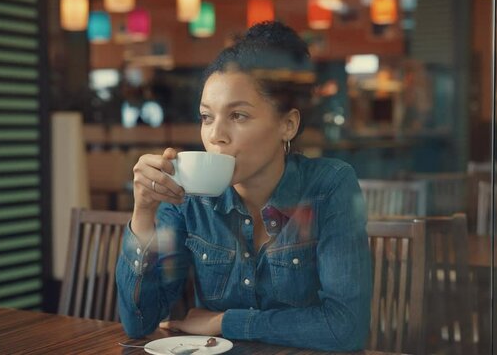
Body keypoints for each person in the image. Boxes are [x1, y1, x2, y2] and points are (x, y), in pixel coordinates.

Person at [116, 21, 371, 351]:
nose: (215, 135)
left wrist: (224, 321)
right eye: (207, 117)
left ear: (287, 124)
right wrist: (143, 213)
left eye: (238, 116)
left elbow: (345, 328)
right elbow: (138, 323)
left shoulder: (329, 186)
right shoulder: (189, 197)